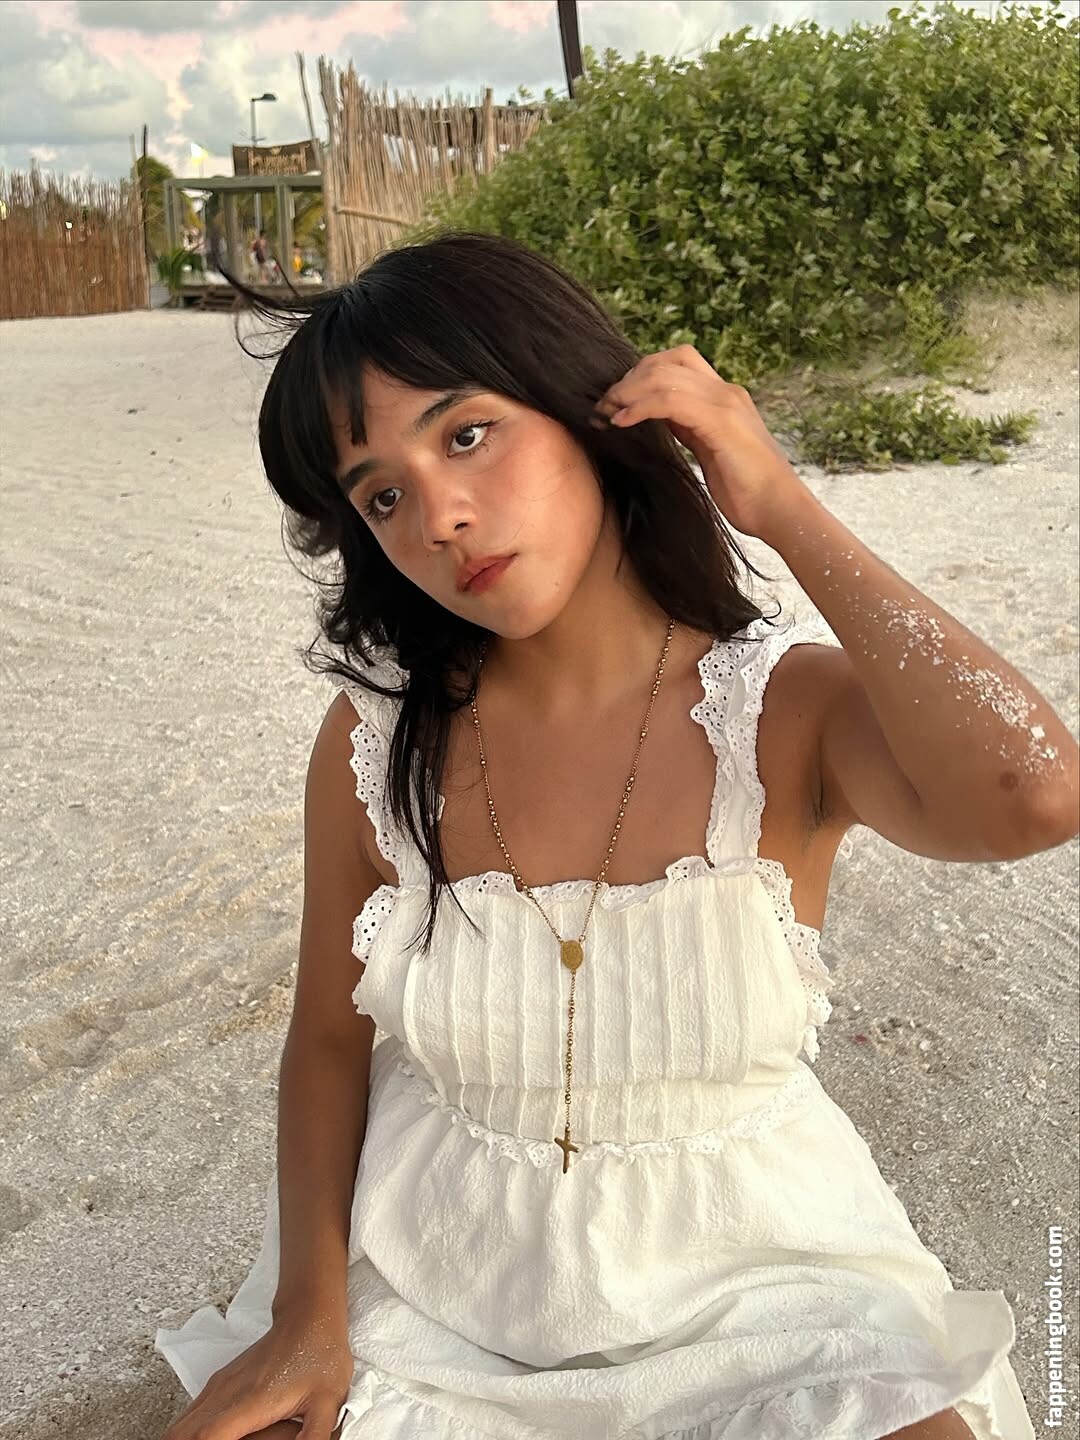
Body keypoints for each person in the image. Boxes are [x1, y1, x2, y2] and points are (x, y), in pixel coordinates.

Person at [154, 231, 1074, 1440]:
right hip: (438, 1273)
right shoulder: (379, 744)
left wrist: (779, 502)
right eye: (382, 494)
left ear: (592, 412)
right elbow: (328, 1042)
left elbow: (1032, 794)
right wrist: (307, 1318)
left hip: (763, 1280)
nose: (440, 517)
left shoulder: (781, 712)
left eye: (466, 434)